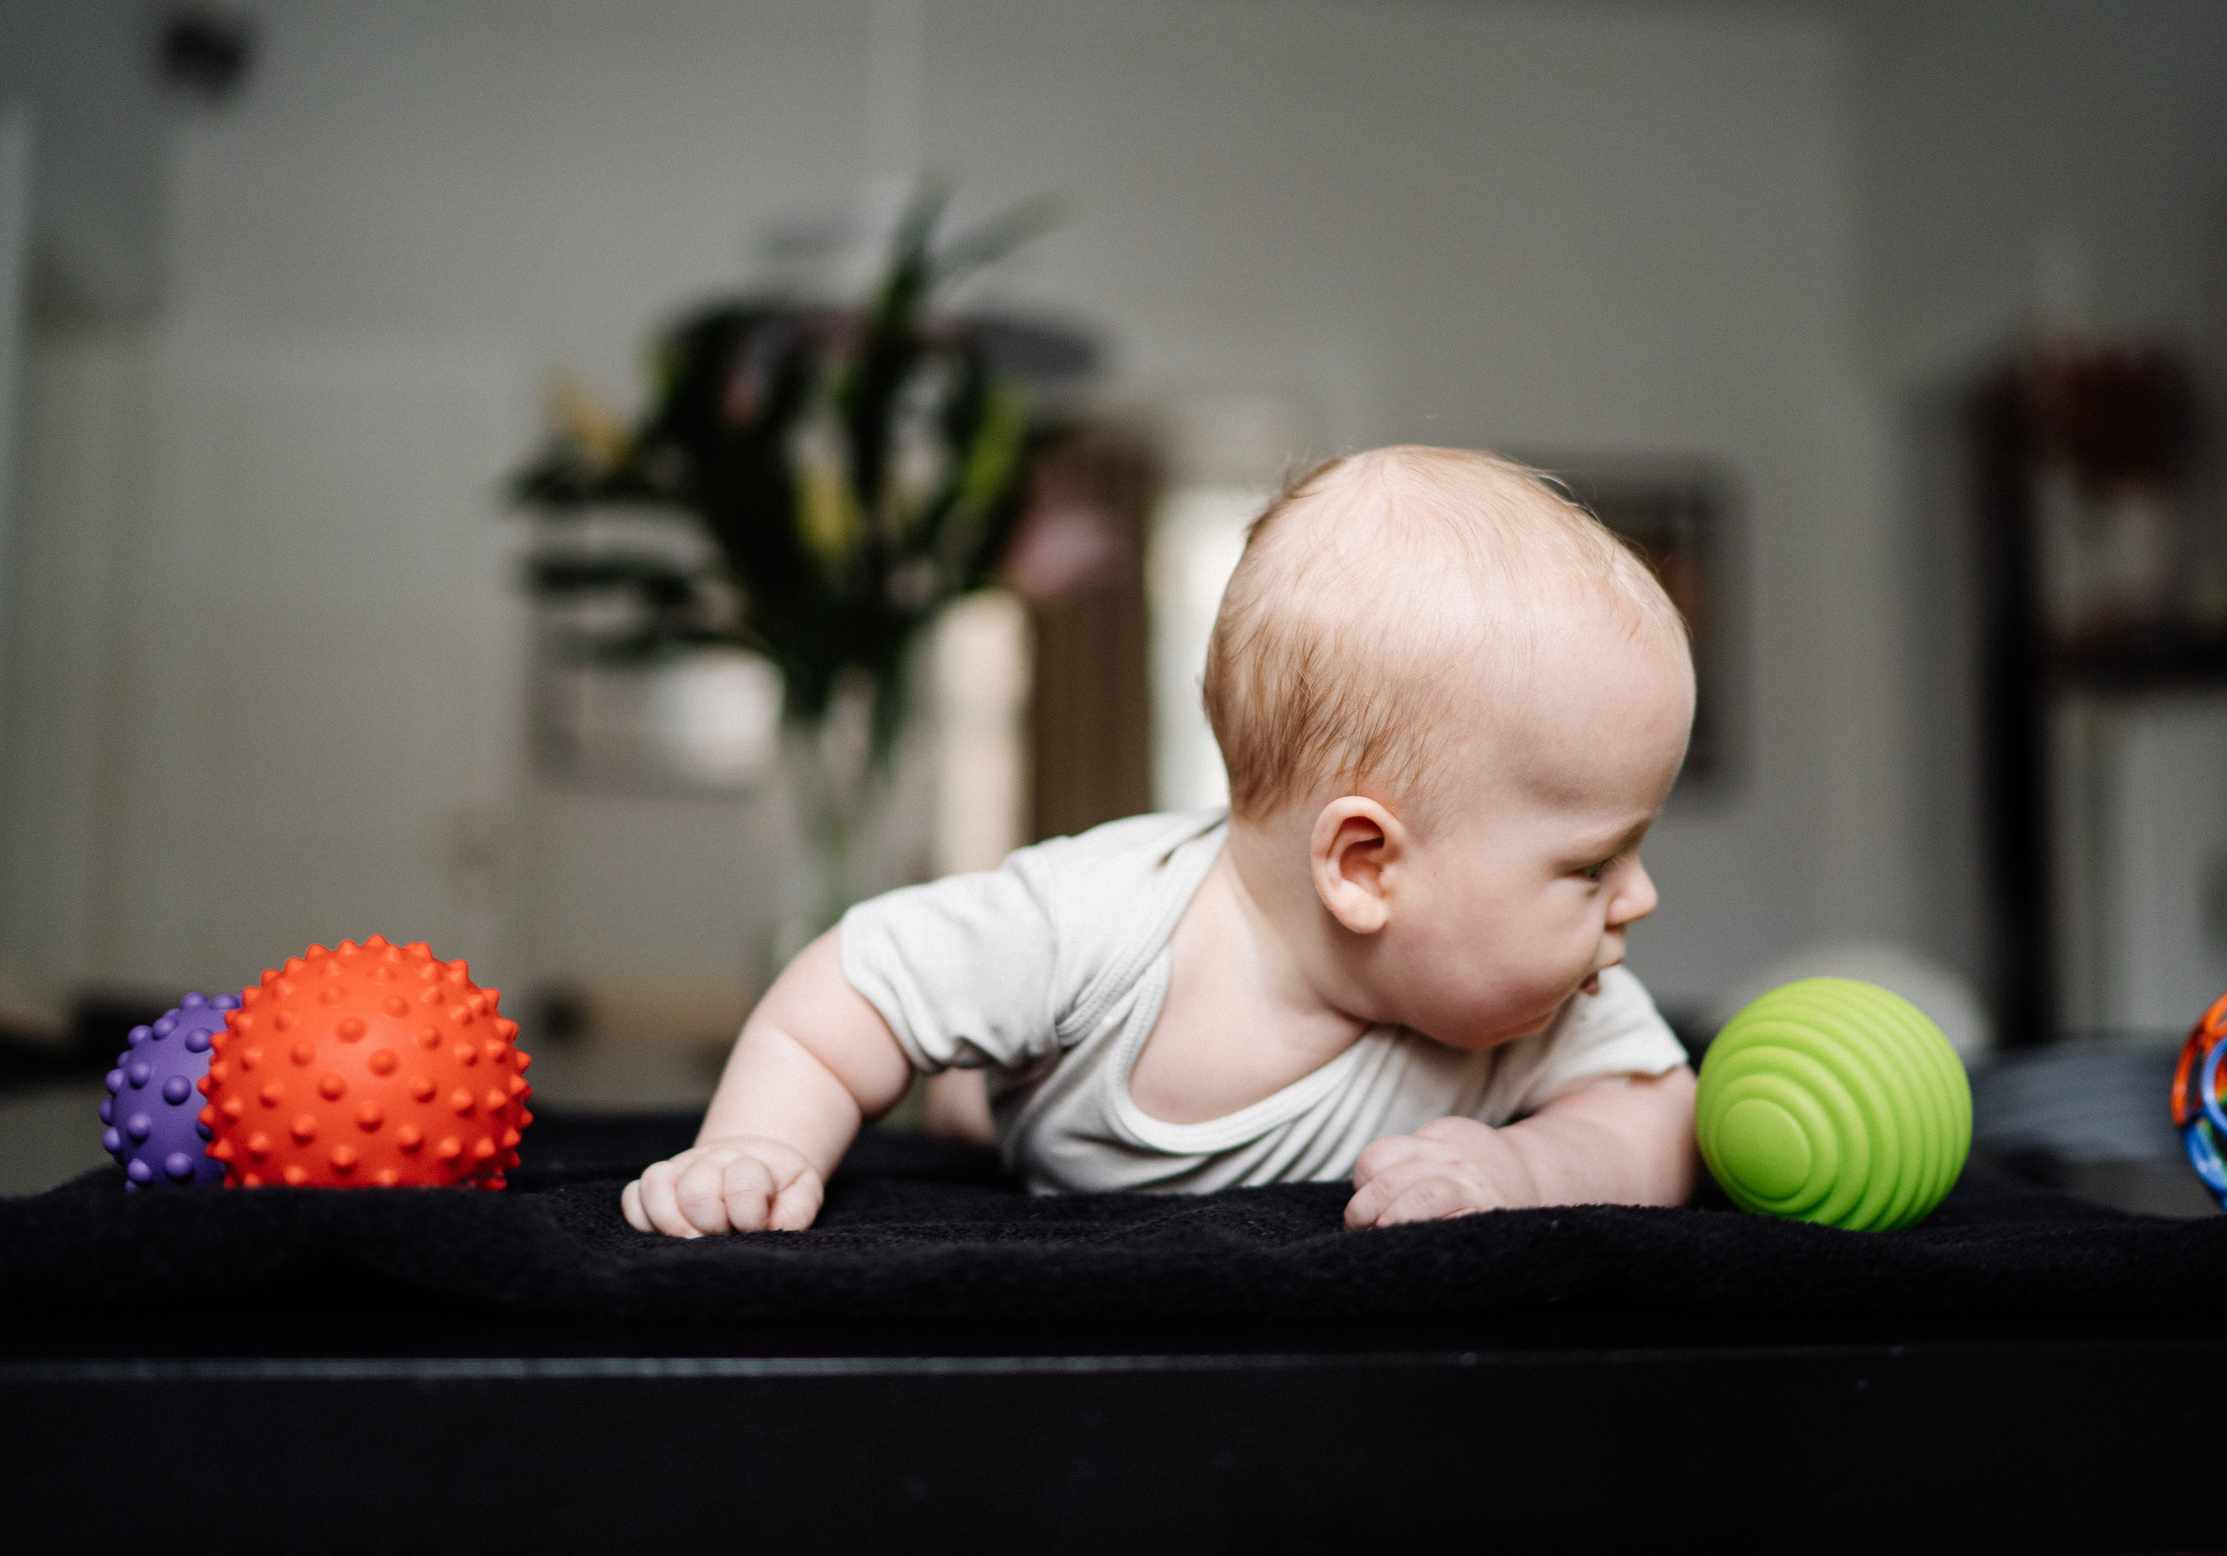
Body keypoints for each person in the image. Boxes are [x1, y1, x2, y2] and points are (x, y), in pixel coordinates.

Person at [624, 445, 1699, 1236]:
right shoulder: (1093, 923)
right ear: (1365, 865)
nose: (1638, 898)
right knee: (970, 1077)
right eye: (1592, 863)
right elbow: (851, 988)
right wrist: (756, 1146)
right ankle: (974, 1093)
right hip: (1056, 1078)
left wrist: (1525, 1172)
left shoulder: (1549, 999)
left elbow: (1658, 1115)